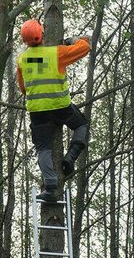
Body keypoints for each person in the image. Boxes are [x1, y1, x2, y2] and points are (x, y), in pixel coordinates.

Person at [16, 19, 91, 202]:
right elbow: (85, 47)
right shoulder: (56, 53)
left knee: (43, 149)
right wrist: (72, 40)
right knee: (81, 125)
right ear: (42, 34)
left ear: (25, 41)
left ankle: (50, 188)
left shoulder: (22, 60)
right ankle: (70, 157)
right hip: (61, 106)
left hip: (38, 111)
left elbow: (23, 88)